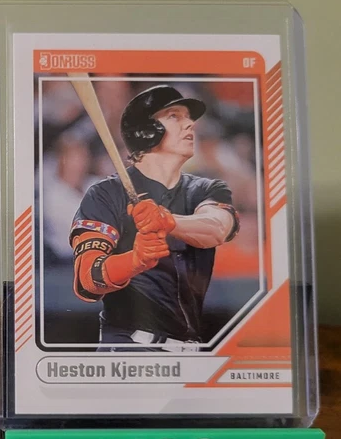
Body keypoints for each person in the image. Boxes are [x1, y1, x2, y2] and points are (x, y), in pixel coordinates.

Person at [70, 85, 239, 349]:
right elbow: (87, 280)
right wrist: (134, 261)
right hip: (128, 349)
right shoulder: (107, 193)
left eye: (188, 117)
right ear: (146, 130)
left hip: (189, 353)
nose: (190, 124)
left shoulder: (205, 188)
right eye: (174, 116)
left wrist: (168, 221)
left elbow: (218, 227)